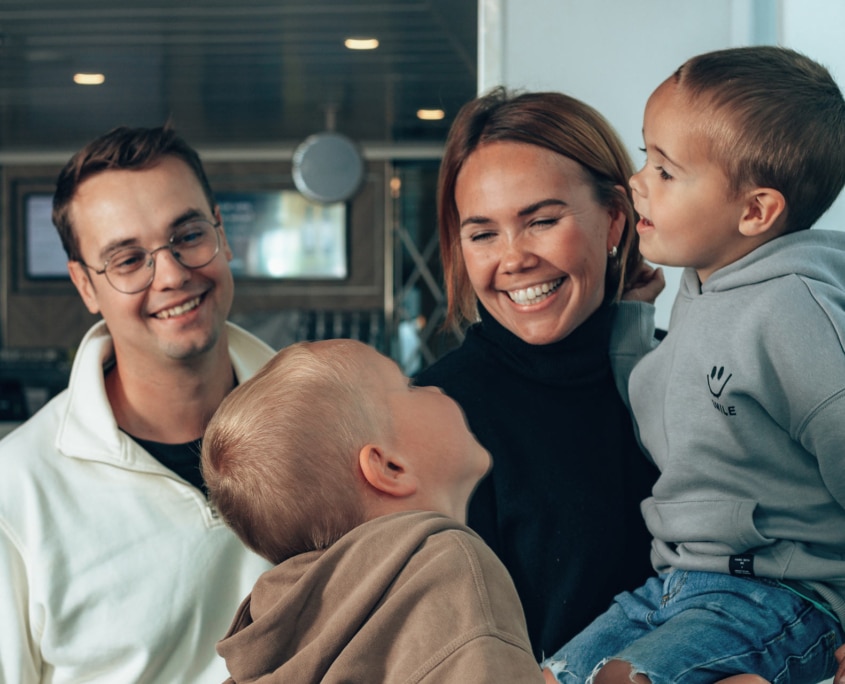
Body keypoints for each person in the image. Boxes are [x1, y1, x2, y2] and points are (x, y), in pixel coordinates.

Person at [543, 46, 845, 684]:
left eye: (667, 171)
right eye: (646, 155)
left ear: (755, 211)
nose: (637, 180)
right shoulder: (706, 289)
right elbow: (675, 402)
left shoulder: (794, 310)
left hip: (783, 598)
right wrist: (630, 320)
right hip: (675, 585)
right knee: (546, 676)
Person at [0, 125, 275, 682]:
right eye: (127, 260)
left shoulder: (331, 423)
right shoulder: (17, 492)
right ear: (85, 286)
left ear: (220, 232)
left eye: (188, 235)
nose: (172, 275)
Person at [413, 87, 660, 659]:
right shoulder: (432, 416)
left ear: (616, 219)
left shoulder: (693, 374)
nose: (514, 257)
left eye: (542, 220)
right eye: (482, 234)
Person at [200, 338, 546, 683]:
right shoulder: (448, 567)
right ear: (389, 468)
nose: (436, 388)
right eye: (408, 387)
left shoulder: (279, 627)